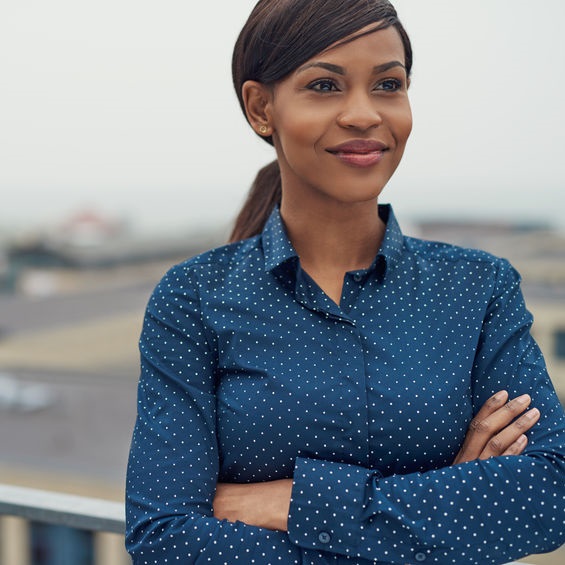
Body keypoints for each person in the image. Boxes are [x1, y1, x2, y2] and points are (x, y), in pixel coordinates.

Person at [125, 1, 565, 563]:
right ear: (262, 108)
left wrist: (299, 504)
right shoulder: (193, 300)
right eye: (325, 86)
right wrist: (449, 511)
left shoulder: (479, 289)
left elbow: (549, 494)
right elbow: (166, 542)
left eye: (388, 84)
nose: (364, 114)